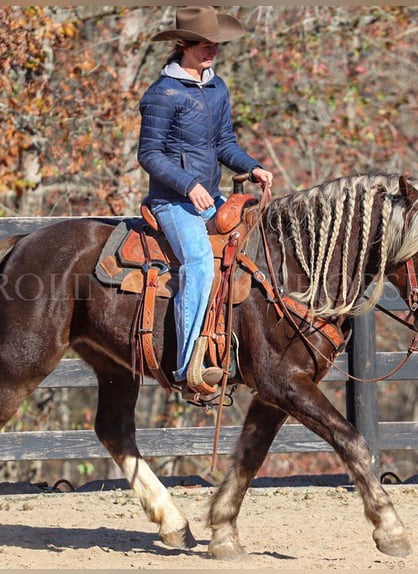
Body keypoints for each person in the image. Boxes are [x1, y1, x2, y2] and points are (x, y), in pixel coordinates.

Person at [137, 6, 273, 395]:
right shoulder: (163, 94)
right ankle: (187, 367)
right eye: (204, 45)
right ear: (184, 45)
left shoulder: (217, 87)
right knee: (198, 265)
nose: (211, 51)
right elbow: (149, 155)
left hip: (209, 197)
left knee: (248, 258)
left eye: (215, 44)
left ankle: (236, 349)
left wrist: (253, 166)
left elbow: (224, 143)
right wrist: (187, 185)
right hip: (172, 202)